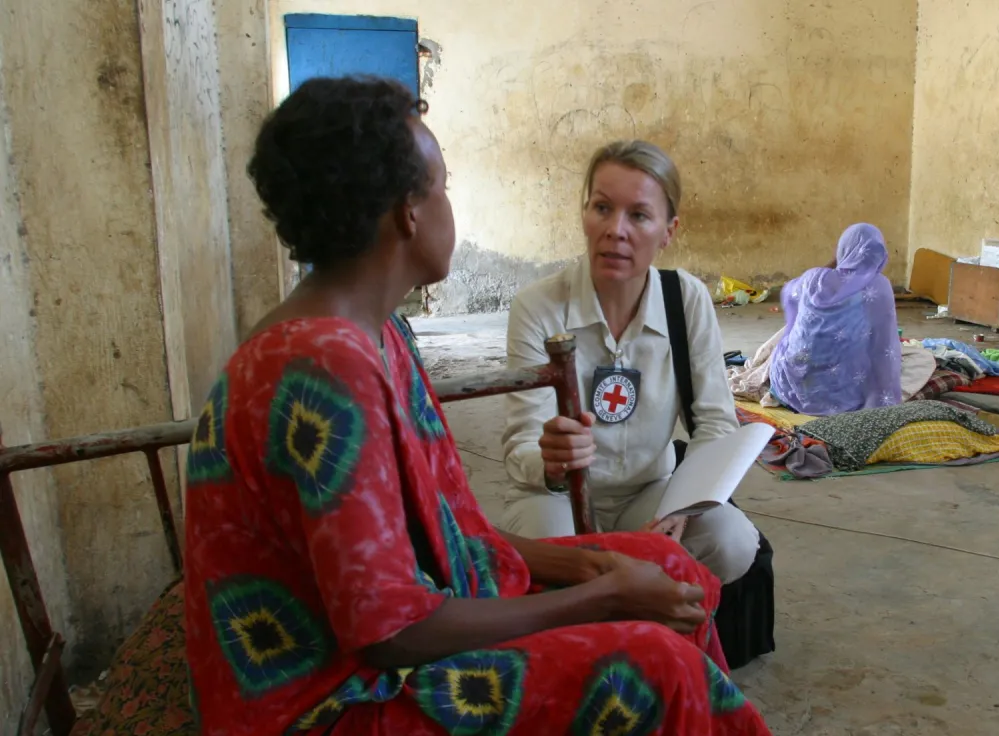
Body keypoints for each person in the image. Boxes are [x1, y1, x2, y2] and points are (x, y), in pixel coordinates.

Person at [181, 77, 770, 735]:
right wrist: (599, 592)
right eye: (444, 186)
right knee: (652, 660)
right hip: (331, 700)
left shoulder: (378, 334)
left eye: (638, 215)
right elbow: (389, 633)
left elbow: (439, 538)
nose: (617, 232)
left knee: (664, 563)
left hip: (408, 625)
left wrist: (588, 562)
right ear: (409, 211)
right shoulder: (322, 366)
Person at [499, 140, 761, 585]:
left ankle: (627, 613)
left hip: (649, 492)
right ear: (585, 213)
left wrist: (683, 506)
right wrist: (551, 461)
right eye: (602, 207)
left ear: (668, 231)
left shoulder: (686, 299)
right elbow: (523, 440)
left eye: (638, 215)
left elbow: (715, 422)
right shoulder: (538, 307)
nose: (615, 230)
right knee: (560, 555)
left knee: (731, 542)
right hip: (557, 499)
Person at [769, 223, 902, 416]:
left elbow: (789, 293)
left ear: (842, 249)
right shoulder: (880, 286)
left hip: (795, 385)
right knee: (917, 360)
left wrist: (834, 266)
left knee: (787, 336)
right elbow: (884, 346)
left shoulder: (813, 278)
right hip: (844, 397)